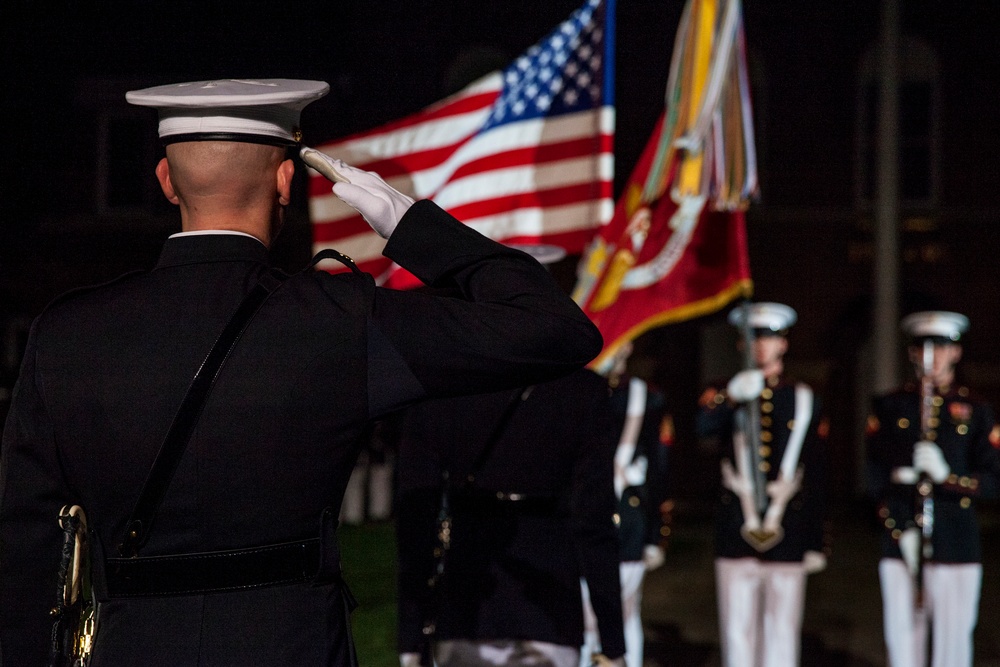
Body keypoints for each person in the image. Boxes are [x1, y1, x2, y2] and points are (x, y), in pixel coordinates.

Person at [0, 79, 603, 666]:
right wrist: (410, 224)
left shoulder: (66, 333)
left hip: (131, 645)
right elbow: (558, 330)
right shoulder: (338, 320)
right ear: (286, 180)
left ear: (166, 181)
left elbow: (26, 546)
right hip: (291, 642)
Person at [394, 243, 624, 667]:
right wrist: (612, 640)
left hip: (465, 598)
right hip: (549, 602)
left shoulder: (440, 386)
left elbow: (416, 520)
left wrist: (410, 635)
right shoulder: (584, 392)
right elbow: (594, 520)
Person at [695, 302, 828, 667]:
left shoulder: (803, 398)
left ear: (783, 344)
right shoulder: (723, 393)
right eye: (753, 338)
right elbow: (702, 431)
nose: (760, 346)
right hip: (736, 528)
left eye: (769, 337)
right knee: (737, 632)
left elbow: (816, 471)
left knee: (782, 631)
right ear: (741, 344)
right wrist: (731, 397)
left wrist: (816, 540)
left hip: (789, 528)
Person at [866, 311, 1000, 667]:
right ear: (911, 353)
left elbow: (993, 480)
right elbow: (876, 477)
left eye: (941, 346)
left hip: (955, 540)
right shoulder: (891, 407)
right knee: (902, 639)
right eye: (924, 346)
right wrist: (899, 528)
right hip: (902, 539)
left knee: (953, 644)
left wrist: (948, 476)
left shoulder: (977, 411)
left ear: (956, 352)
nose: (932, 356)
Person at [580, 340, 670, 667]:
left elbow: (658, 469)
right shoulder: (578, 393)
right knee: (581, 614)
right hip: (583, 518)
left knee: (626, 611)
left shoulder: (648, 398)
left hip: (628, 521)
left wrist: (655, 534)